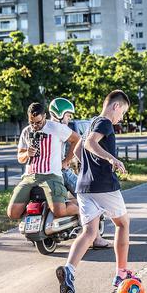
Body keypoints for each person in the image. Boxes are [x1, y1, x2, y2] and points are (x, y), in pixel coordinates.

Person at [56, 90, 134, 293]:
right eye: (123, 112)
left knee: (89, 232)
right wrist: (111, 160)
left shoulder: (91, 122)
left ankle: (69, 271)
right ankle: (121, 273)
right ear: (115, 107)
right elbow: (90, 143)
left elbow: (80, 148)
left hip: (84, 186)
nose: (121, 118)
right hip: (104, 186)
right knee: (123, 224)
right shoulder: (105, 123)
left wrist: (88, 169)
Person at [48, 97, 111, 249]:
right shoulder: (61, 129)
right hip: (59, 172)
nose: (69, 119)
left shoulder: (44, 127)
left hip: (41, 173)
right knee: (88, 197)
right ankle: (95, 237)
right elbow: (76, 144)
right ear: (60, 114)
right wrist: (66, 162)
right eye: (68, 115)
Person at [7, 102, 81, 220]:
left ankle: (80, 210)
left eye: (38, 122)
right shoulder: (26, 131)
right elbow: (20, 158)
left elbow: (77, 139)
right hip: (30, 177)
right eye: (32, 122)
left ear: (44, 116)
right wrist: (27, 153)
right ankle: (43, 217)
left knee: (60, 211)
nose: (35, 125)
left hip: (51, 175)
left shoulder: (56, 128)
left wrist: (66, 161)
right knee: (12, 213)